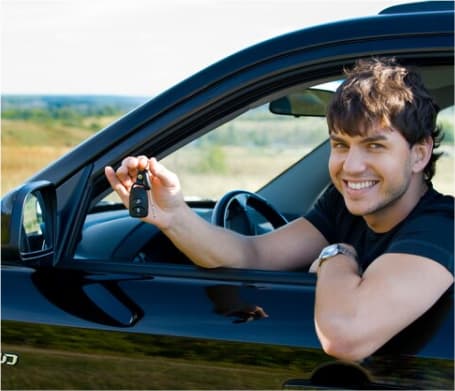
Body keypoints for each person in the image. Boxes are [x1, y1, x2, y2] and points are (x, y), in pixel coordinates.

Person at [105, 57, 454, 361]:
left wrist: (336, 255)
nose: (351, 166)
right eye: (340, 145)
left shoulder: (441, 227)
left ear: (419, 154)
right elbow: (252, 253)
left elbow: (345, 336)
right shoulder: (344, 208)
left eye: (375, 146)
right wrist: (174, 216)